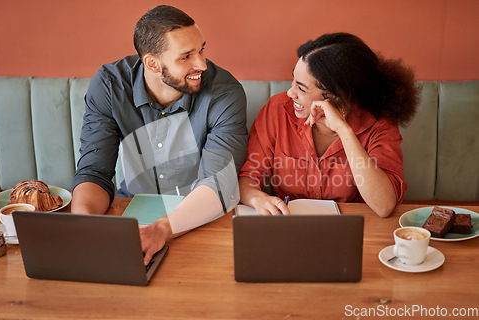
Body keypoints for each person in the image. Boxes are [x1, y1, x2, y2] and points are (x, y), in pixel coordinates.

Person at [72, 5, 247, 264]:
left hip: (202, 218)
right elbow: (94, 172)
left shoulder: (225, 93)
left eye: (201, 50)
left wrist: (161, 229)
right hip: (131, 215)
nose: (202, 63)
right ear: (152, 64)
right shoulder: (110, 85)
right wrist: (84, 227)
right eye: (186, 56)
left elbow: (218, 184)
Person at [238, 32, 420, 218]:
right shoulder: (277, 110)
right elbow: (249, 176)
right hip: (290, 223)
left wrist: (343, 130)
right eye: (293, 80)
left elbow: (384, 206)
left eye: (301, 88)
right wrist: (256, 198)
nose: (290, 93)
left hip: (353, 228)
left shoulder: (379, 123)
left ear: (338, 95)